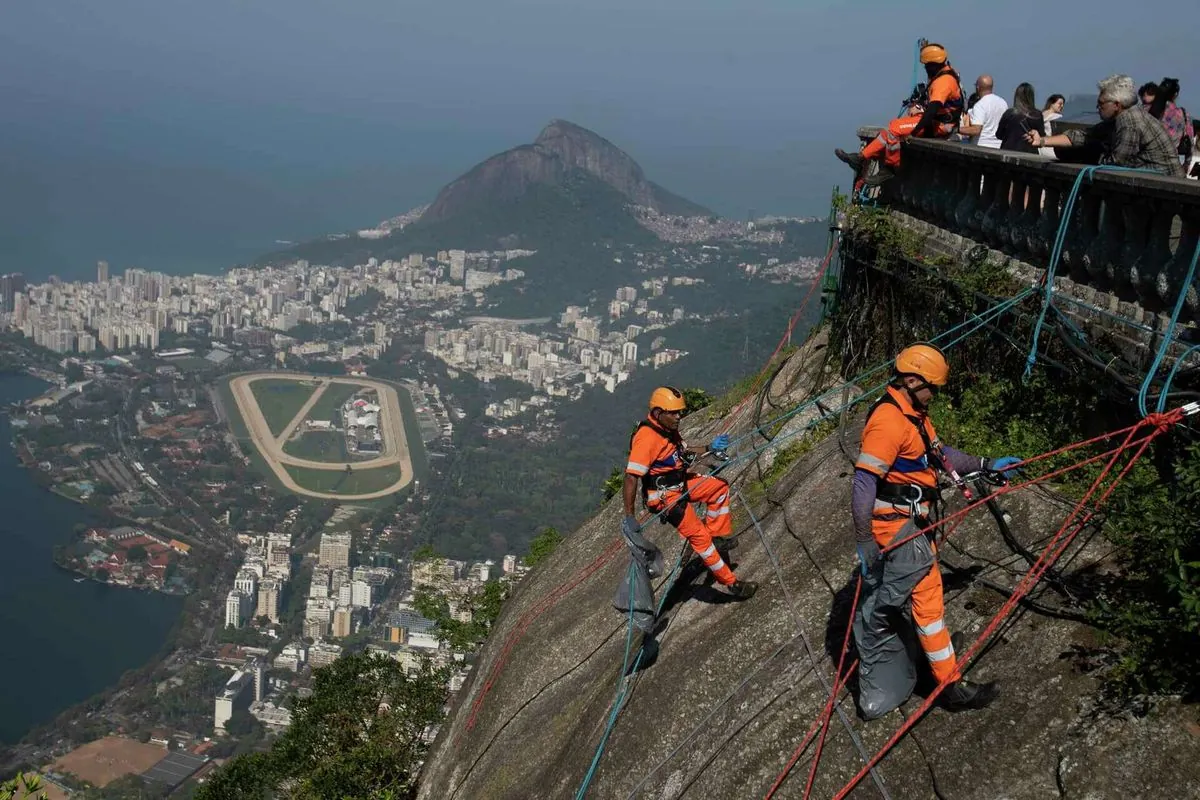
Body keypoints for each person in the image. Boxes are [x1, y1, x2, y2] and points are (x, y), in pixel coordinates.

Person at [851, 344, 1021, 719]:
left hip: (912, 523)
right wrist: (864, 540)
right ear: (912, 380)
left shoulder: (914, 415)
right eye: (932, 387)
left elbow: (941, 455)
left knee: (926, 597)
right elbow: (863, 482)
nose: (936, 395)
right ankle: (949, 684)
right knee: (928, 601)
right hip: (897, 528)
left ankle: (936, 663)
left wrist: (986, 464)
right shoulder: (889, 422)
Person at [622, 386, 757, 598]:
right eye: (673, 412)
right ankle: (731, 583)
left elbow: (683, 452)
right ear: (658, 413)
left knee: (719, 488)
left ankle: (717, 537)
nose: (679, 417)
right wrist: (629, 517)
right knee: (699, 537)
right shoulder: (647, 437)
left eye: (680, 412)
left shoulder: (667, 429)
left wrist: (709, 447)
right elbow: (631, 477)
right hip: (665, 497)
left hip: (680, 483)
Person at [834, 42, 964, 184]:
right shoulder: (943, 75)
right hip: (937, 121)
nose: (925, 69)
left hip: (941, 125)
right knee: (890, 130)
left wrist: (914, 132)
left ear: (934, 64)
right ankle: (860, 158)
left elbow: (932, 110)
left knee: (895, 129)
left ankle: (890, 168)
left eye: (927, 65)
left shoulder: (943, 82)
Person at [1027, 74, 1185, 177]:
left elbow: (1118, 163)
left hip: (1162, 180)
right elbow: (1085, 135)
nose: (1098, 108)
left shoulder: (1129, 120)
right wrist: (1041, 140)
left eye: (1101, 104)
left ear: (1116, 105)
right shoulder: (1120, 117)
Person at [958, 75, 1007, 149]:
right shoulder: (1003, 103)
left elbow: (976, 130)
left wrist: (956, 129)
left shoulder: (980, 105)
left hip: (982, 147)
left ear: (977, 87)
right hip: (999, 147)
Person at [1146, 77, 1193, 155]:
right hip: (1171, 159)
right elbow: (1190, 143)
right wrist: (1186, 164)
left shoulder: (1146, 109)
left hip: (1147, 157)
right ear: (1175, 94)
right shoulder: (1184, 114)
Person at [996, 83, 1045, 153]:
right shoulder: (1037, 115)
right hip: (1029, 153)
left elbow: (999, 135)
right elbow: (1041, 135)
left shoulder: (1009, 113)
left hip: (1008, 151)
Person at [1039, 93, 1065, 158]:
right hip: (1051, 147)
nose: (1062, 106)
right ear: (1052, 103)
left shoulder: (1040, 114)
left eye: (1063, 104)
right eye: (1060, 103)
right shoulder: (1058, 117)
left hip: (1040, 147)